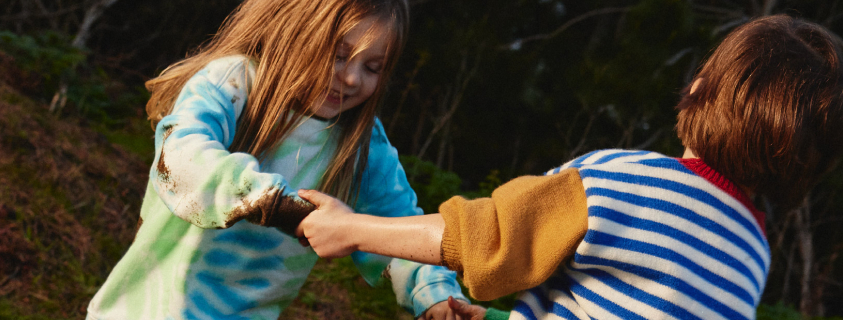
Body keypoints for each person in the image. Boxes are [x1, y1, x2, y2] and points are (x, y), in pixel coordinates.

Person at [295, 14, 843, 320]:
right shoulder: (751, 253)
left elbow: (483, 235)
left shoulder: (627, 183)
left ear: (701, 87)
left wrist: (352, 228)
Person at [85, 0, 469, 319]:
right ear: (293, 32)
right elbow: (181, 160)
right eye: (338, 56)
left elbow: (397, 231)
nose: (352, 78)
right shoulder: (233, 83)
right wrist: (275, 205)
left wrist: (436, 296)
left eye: (372, 67)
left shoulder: (363, 145)